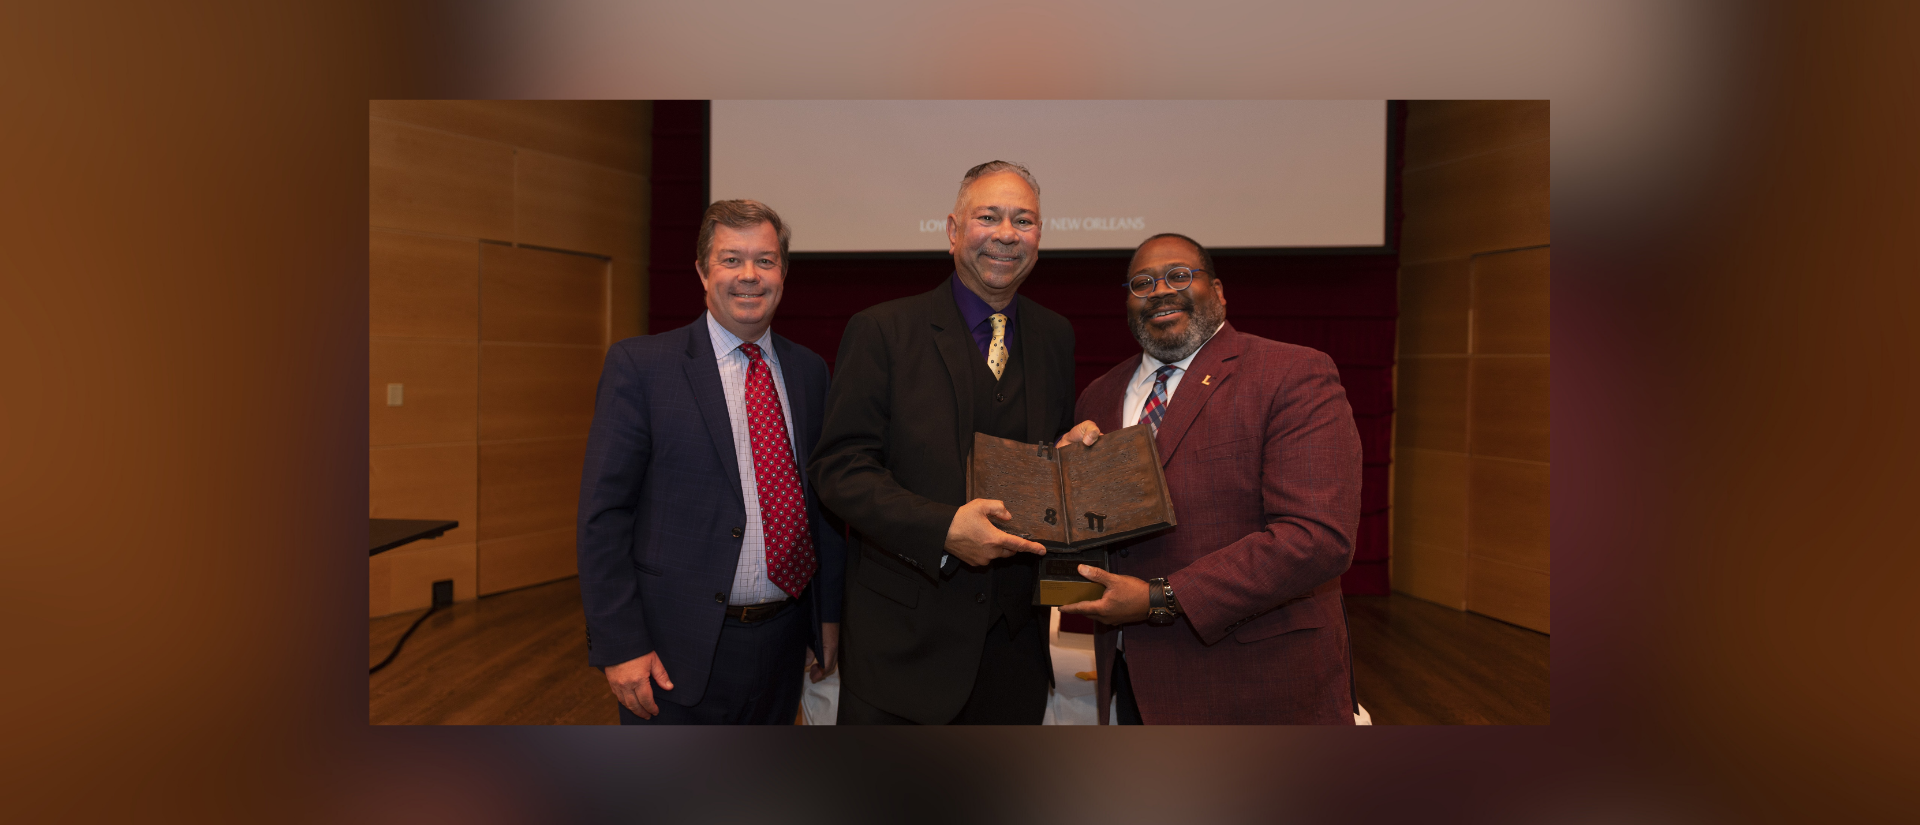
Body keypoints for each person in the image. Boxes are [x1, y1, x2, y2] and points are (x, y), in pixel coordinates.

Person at [809, 161, 1096, 724]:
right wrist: (942, 530)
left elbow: (1040, 464)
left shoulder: (1055, 335)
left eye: (1024, 220)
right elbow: (840, 468)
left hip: (1015, 648)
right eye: (988, 217)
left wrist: (1074, 460)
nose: (1006, 234)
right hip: (903, 648)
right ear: (952, 230)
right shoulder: (882, 331)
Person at [1057, 233, 1363, 724]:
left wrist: (1162, 597)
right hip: (1135, 682)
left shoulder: (1291, 373)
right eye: (1142, 283)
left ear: (1218, 291)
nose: (1159, 290)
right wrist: (1064, 487)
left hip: (1257, 682)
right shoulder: (1099, 396)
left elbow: (1318, 538)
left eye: (1179, 276)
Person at [575, 199, 845, 724]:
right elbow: (603, 518)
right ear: (702, 271)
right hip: (672, 651)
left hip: (785, 643)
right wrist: (619, 643)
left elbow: (824, 507)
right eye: (731, 260)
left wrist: (825, 619)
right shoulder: (641, 367)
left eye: (765, 261)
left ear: (783, 273)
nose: (749, 275)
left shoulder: (809, 371)